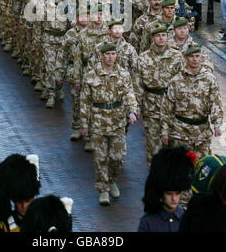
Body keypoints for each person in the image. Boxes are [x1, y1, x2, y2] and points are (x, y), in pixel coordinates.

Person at [80, 42, 139, 206]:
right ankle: (103, 189)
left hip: (118, 121)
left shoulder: (123, 75)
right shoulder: (91, 75)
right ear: (101, 55)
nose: (110, 57)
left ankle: (112, 179)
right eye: (107, 54)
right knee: (100, 157)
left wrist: (132, 111)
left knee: (118, 157)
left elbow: (129, 94)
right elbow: (84, 101)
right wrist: (84, 124)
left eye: (113, 54)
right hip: (98, 121)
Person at [133, 23, 183, 169]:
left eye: (164, 35)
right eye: (158, 36)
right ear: (152, 38)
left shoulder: (177, 56)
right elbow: (138, 84)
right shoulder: (143, 58)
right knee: (153, 148)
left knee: (174, 148)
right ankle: (155, 181)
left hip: (173, 107)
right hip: (152, 107)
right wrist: (136, 106)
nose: (161, 39)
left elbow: (183, 82)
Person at [161, 44, 224, 160]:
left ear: (202, 58)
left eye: (197, 56)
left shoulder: (210, 79)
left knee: (202, 169)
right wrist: (165, 131)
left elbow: (216, 103)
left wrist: (217, 125)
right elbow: (167, 107)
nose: (194, 59)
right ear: (185, 58)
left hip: (202, 133)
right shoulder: (176, 81)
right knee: (181, 170)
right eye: (191, 56)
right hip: (180, 132)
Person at [138, 146, 196, 232]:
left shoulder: (188, 219)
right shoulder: (148, 222)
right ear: (161, 193)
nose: (174, 198)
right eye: (169, 193)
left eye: (177, 193)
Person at [0, 153, 40, 232]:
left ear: (34, 196)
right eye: (19, 201)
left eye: (27, 200)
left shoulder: (45, 220)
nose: (24, 206)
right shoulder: (1, 226)